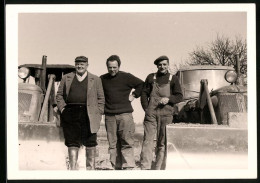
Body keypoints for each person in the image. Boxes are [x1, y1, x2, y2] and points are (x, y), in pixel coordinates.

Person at [56, 56, 105, 170]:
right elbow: (59, 96)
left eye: (82, 64)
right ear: (75, 65)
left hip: (89, 113)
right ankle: (73, 169)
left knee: (90, 141)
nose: (80, 66)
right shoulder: (66, 78)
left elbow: (101, 98)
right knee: (72, 141)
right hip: (70, 112)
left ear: (87, 65)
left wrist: (98, 113)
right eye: (77, 64)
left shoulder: (95, 79)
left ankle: (90, 169)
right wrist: (63, 110)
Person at [100, 55, 144, 170]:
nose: (112, 70)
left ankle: (128, 166)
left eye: (115, 67)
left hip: (125, 115)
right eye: (110, 67)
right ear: (107, 67)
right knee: (112, 143)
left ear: (119, 66)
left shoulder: (127, 77)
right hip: (109, 115)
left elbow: (142, 84)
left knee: (127, 141)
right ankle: (115, 166)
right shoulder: (102, 79)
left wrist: (134, 95)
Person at [140, 55, 183, 170]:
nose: (162, 67)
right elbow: (144, 93)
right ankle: (145, 167)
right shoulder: (151, 77)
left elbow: (179, 96)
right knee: (148, 140)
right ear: (157, 66)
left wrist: (169, 99)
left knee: (162, 141)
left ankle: (159, 167)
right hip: (151, 113)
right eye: (160, 65)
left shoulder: (173, 79)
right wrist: (146, 108)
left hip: (167, 114)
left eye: (164, 64)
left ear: (168, 65)